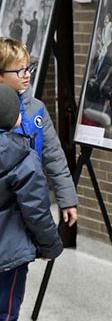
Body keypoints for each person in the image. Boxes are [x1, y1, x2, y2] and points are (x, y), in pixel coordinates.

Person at [0, 84, 63, 321]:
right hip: (10, 256)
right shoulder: (24, 159)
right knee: (5, 317)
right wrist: (51, 247)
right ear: (16, 118)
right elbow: (36, 211)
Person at [0, 38, 78, 225]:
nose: (27, 75)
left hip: (31, 202)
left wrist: (67, 200)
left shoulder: (37, 109)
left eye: (29, 69)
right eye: (20, 70)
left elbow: (54, 157)